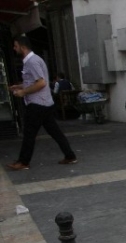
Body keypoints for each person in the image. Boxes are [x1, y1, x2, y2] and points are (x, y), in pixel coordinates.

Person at [7, 36, 77, 171]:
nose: (14, 49)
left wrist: (23, 92)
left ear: (22, 47)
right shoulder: (36, 60)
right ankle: (70, 155)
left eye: (15, 46)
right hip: (45, 103)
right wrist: (20, 86)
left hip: (37, 104)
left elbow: (41, 83)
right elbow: (35, 81)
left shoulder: (31, 62)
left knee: (29, 133)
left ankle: (23, 161)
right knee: (55, 132)